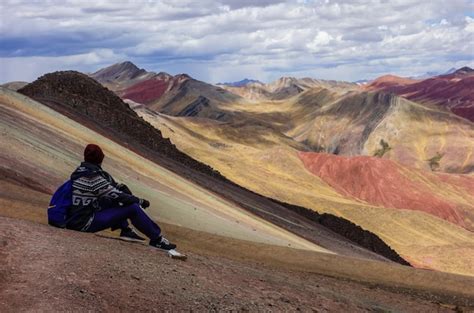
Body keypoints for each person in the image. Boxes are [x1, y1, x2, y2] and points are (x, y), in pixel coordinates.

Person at [66, 143, 176, 251]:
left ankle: (126, 230)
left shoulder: (81, 171)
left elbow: (110, 189)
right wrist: (140, 201)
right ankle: (157, 239)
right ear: (100, 159)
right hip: (83, 223)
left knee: (110, 200)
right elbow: (117, 195)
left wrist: (122, 188)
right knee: (132, 208)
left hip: (75, 219)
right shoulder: (92, 177)